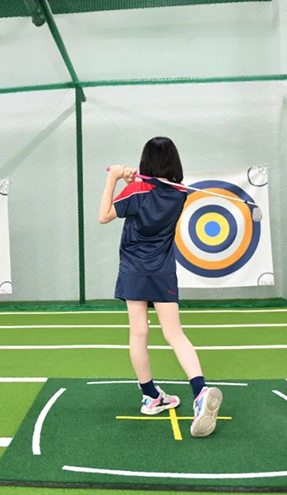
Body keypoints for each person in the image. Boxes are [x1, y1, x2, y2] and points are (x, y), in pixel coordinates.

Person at [98, 137, 223, 438]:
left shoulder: (137, 189)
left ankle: (150, 396)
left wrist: (114, 178)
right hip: (163, 271)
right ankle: (199, 391)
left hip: (133, 271)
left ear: (146, 162)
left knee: (138, 333)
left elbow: (104, 216)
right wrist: (131, 182)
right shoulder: (180, 194)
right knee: (175, 334)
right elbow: (154, 193)